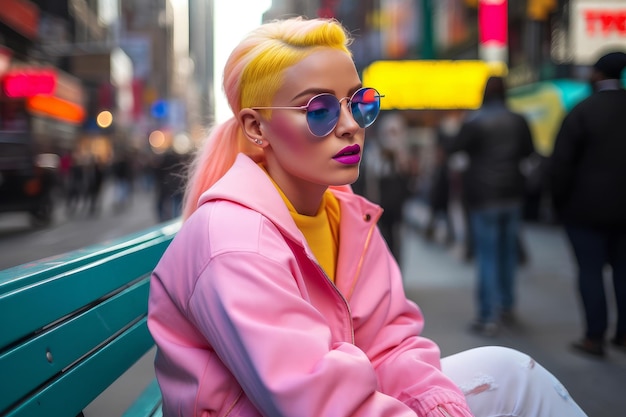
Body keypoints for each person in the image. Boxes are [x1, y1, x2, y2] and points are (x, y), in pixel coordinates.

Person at [147, 17, 588, 417]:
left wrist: (439, 409)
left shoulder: (347, 214)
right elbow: (314, 402)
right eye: (318, 110)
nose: (350, 124)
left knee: (510, 371)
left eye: (359, 102)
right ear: (256, 128)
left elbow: (392, 344)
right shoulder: (232, 240)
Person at [549, 50, 626, 358]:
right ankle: (623, 333)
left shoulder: (581, 111)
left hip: (584, 211)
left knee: (589, 272)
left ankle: (595, 337)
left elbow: (561, 165)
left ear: (596, 75)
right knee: (624, 271)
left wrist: (558, 204)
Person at [446, 76, 535, 336]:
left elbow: (453, 148)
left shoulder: (474, 121)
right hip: (512, 194)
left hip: (484, 197)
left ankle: (487, 315)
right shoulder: (518, 120)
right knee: (507, 253)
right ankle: (506, 306)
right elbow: (529, 152)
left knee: (487, 256)